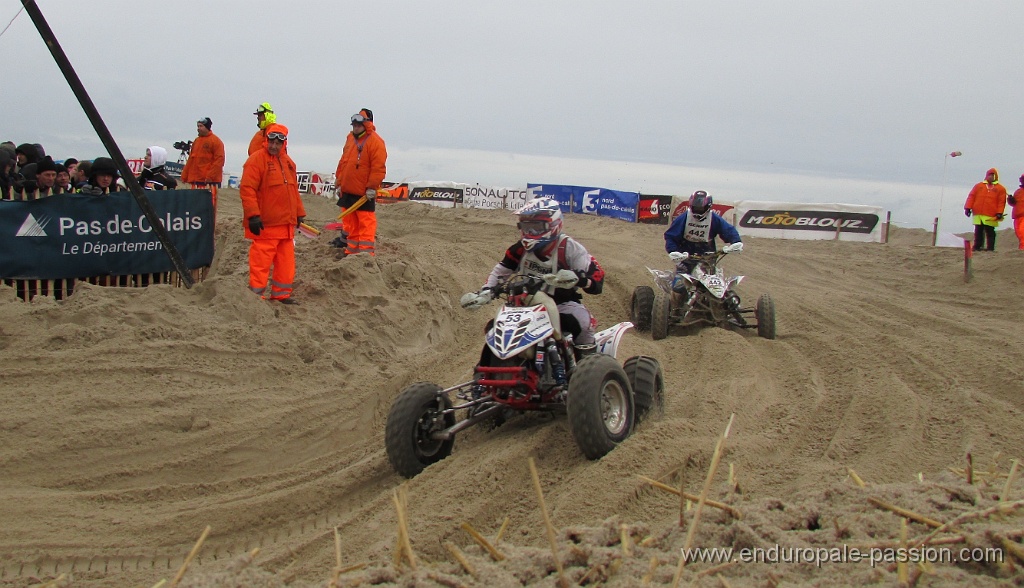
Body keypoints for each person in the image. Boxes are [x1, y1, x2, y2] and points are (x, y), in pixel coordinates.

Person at [462, 197, 605, 346]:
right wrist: (486, 292)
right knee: (494, 328)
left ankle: (587, 363)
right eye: (526, 227)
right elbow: (502, 270)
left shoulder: (570, 248)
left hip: (561, 304)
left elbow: (597, 278)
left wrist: (580, 279)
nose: (530, 232)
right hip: (525, 305)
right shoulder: (520, 248)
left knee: (582, 323)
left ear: (553, 224)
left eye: (536, 226)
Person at [239, 123, 306, 304]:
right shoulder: (256, 160)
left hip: (286, 225)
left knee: (286, 263)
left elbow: (293, 191)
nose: (274, 145)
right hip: (266, 224)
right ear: (266, 140)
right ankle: (255, 297)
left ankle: (281, 295)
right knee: (260, 262)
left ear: (284, 143)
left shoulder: (288, 162)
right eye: (271, 141)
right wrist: (253, 215)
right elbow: (247, 189)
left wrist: (299, 213)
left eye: (279, 142)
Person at [334, 108, 386, 256]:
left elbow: (378, 167)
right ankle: (351, 251)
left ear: (367, 124)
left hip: (363, 193)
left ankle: (365, 255)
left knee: (365, 224)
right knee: (351, 224)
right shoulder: (350, 139)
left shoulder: (376, 142)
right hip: (348, 190)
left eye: (358, 125)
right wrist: (339, 181)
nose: (355, 127)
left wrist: (372, 187)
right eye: (354, 125)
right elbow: (344, 161)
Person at [664, 190, 743, 278]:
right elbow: (671, 236)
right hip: (685, 255)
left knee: (712, 281)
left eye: (700, 209)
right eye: (695, 208)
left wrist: (736, 242)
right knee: (679, 285)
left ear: (708, 207)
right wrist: (673, 251)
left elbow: (728, 230)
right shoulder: (684, 218)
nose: (697, 212)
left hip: (708, 254)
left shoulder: (714, 219)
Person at [180, 116, 225, 208]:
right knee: (193, 207)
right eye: (198, 126)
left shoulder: (216, 141)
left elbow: (219, 161)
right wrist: (185, 175)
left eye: (201, 126)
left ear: (207, 127)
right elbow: (191, 160)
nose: (198, 128)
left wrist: (210, 176)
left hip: (208, 183)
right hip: (195, 182)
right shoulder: (196, 141)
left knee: (207, 208)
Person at [964, 168, 1007, 252]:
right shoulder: (979, 186)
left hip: (991, 214)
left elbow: (1001, 202)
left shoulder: (1000, 189)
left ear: (995, 176)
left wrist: (999, 212)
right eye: (989, 175)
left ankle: (990, 248)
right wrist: (968, 207)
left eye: (992, 175)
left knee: (990, 231)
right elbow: (971, 196)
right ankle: (977, 246)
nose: (990, 177)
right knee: (978, 231)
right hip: (978, 213)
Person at [1010, 174, 1024, 251]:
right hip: (1017, 216)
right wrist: (1011, 200)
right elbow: (1014, 203)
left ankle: (1022, 249)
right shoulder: (1018, 192)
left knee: (1022, 233)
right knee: (1019, 234)